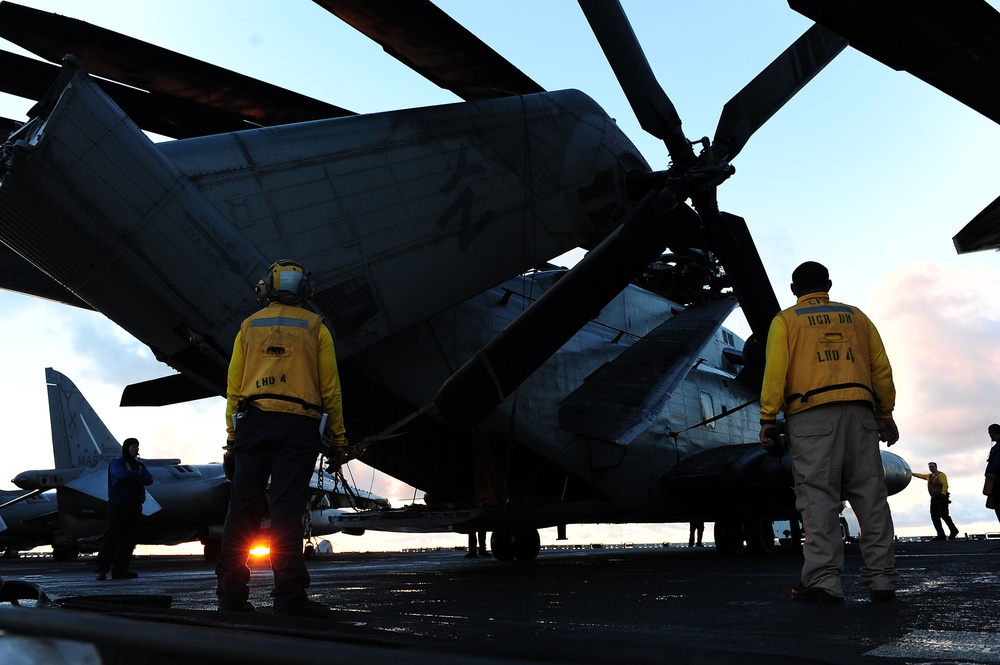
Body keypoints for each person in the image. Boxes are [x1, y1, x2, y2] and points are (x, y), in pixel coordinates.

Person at [759, 261, 900, 603]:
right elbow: (880, 366)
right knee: (871, 496)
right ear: (829, 284)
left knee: (818, 497)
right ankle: (882, 580)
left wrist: (768, 417)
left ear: (794, 289)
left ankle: (824, 581)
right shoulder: (857, 317)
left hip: (810, 417)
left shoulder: (786, 320)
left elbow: (775, 370)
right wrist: (886, 412)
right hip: (861, 412)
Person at [215, 259, 347, 618]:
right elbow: (330, 390)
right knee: (288, 511)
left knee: (241, 511)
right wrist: (338, 440)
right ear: (305, 290)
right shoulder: (316, 327)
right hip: (298, 427)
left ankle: (230, 596)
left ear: (267, 288)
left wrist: (232, 438)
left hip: (254, 425)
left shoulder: (248, 327)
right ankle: (289, 597)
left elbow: (233, 389)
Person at [95, 437, 152, 581]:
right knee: (111, 538)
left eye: (137, 447)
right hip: (118, 506)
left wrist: (134, 477)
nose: (136, 449)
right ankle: (101, 570)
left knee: (129, 540)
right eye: (134, 446)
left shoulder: (139, 465)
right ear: (127, 448)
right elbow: (122, 475)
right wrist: (139, 477)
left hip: (134, 506)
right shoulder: (117, 463)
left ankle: (120, 570)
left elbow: (149, 479)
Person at [912, 462, 960, 541]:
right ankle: (941, 534)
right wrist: (912, 473)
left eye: (932, 466)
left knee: (944, 515)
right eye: (929, 467)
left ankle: (953, 530)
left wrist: (943, 493)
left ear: (936, 467)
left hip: (942, 498)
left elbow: (945, 484)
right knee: (934, 517)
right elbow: (921, 475)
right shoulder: (930, 476)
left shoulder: (941, 475)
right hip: (934, 498)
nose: (930, 468)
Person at [985, 424, 1000, 523]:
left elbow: (996, 463)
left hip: (997, 481)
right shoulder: (996, 447)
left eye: (990, 433)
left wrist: (989, 473)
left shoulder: (997, 447)